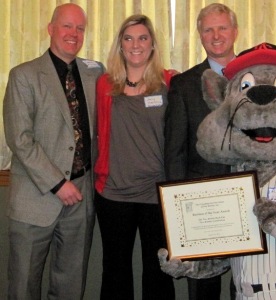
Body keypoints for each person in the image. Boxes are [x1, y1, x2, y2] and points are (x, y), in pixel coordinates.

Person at [3, 3, 104, 299]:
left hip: (81, 197)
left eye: (80, 28)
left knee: (71, 287)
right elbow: (19, 139)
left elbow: (129, 82)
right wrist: (58, 184)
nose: (74, 34)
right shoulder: (24, 75)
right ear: (50, 29)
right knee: (23, 287)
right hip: (35, 198)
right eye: (67, 26)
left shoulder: (93, 75)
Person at [94, 14, 175, 300]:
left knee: (158, 273)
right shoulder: (104, 85)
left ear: (152, 44)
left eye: (143, 38)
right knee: (114, 271)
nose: (135, 44)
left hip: (156, 195)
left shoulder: (170, 83)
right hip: (113, 194)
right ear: (120, 45)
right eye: (128, 38)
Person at [164, 3, 238, 300]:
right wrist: (177, 210)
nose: (216, 35)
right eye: (208, 29)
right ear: (199, 35)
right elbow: (175, 151)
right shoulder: (183, 84)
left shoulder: (258, 77)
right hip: (201, 203)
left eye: (222, 28)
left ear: (234, 31)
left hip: (252, 199)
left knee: (247, 285)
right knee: (203, 290)